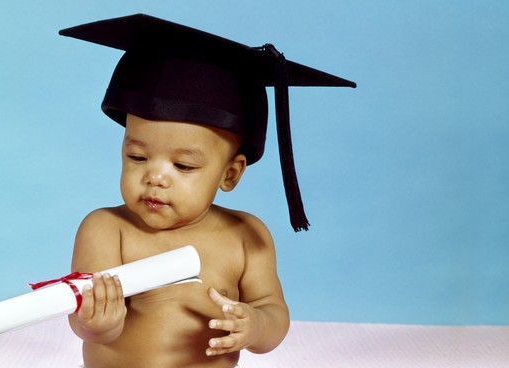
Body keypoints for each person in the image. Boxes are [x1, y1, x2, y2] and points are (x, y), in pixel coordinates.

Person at [58, 14, 355, 368]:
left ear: (230, 174)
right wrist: (97, 324)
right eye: (137, 156)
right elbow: (83, 319)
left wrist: (257, 325)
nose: (155, 177)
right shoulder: (107, 228)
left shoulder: (245, 236)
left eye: (183, 166)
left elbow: (274, 314)